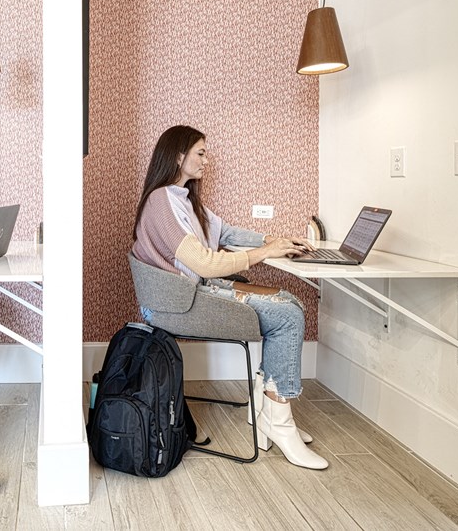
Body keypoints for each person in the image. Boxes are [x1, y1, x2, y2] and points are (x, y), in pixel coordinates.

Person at [132, 124, 328, 470]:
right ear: (179, 156)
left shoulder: (185, 199)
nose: (207, 160)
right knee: (287, 316)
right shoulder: (162, 201)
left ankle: (266, 407)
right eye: (201, 152)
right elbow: (204, 263)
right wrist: (264, 253)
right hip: (179, 302)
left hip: (194, 292)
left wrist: (278, 240)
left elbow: (228, 233)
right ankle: (277, 421)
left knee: (290, 302)